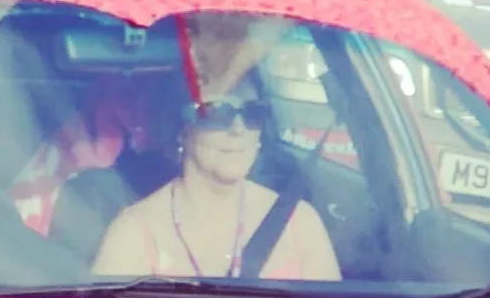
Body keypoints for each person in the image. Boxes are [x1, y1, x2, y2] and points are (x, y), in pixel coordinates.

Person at [92, 83, 340, 282]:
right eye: (218, 113)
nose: (238, 129)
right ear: (183, 130)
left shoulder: (300, 223)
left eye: (253, 113)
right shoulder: (134, 233)